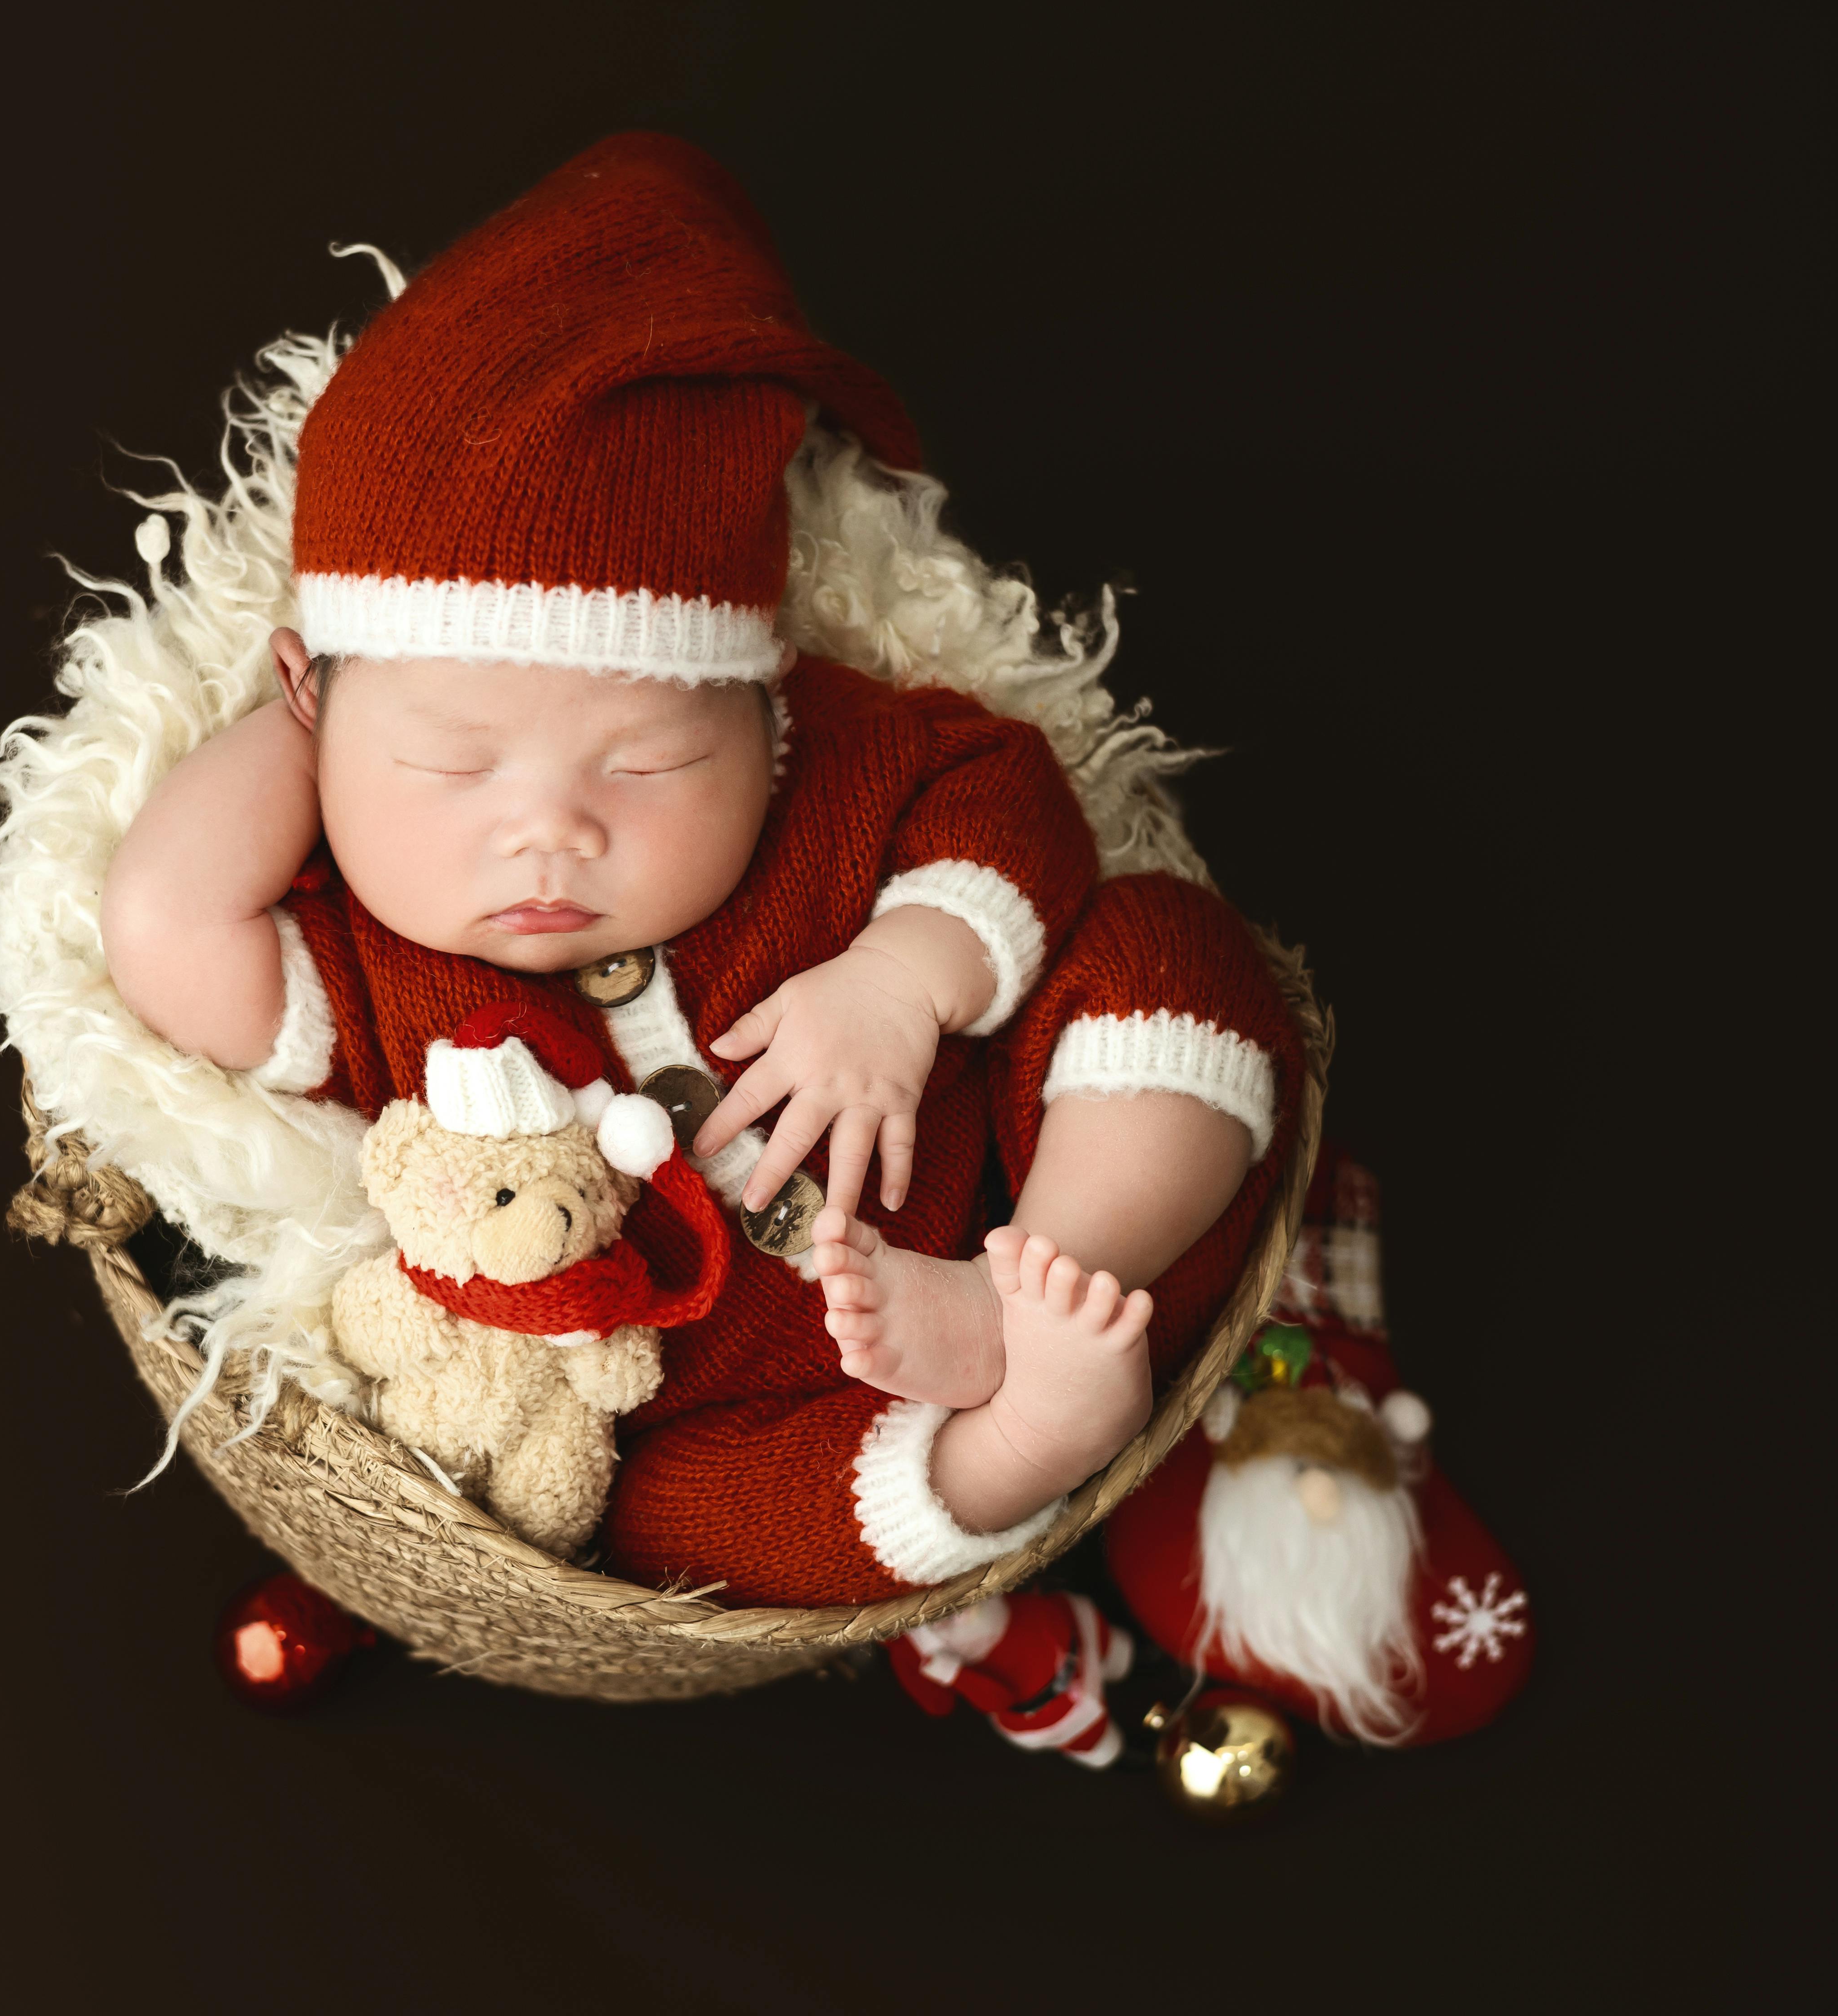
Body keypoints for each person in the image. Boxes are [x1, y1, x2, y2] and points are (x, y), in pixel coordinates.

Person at [97, 134, 1301, 1607]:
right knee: (661, 1525)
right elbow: (162, 918)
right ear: (308, 700)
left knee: (1172, 957)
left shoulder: (824, 770)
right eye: (453, 763)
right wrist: (321, 724)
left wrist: (902, 981)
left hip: (1023, 1192)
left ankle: (1034, 1295)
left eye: (647, 760)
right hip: (732, 1406)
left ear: (764, 696)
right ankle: (1018, 1449)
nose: (550, 831)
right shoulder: (367, 961)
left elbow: (1010, 797)